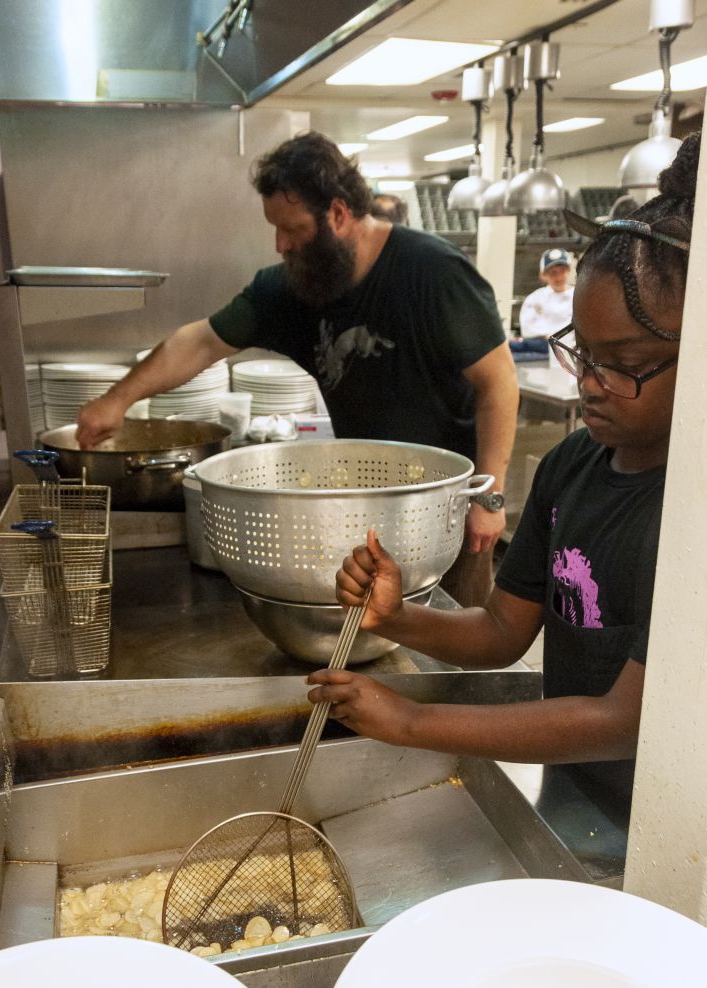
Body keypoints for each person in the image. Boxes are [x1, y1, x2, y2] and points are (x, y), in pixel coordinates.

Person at [306, 132, 698, 821]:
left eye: (626, 362)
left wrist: (413, 724)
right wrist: (398, 619)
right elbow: (499, 631)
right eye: (584, 354)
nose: (593, 386)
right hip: (578, 793)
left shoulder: (690, 513)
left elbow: (622, 720)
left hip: (669, 825)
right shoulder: (570, 467)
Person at [76, 131, 519, 607]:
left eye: (293, 230)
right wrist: (117, 399)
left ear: (338, 214)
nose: (280, 244)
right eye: (274, 228)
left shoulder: (434, 274)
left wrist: (489, 499)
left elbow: (499, 385)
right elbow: (201, 341)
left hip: (449, 511)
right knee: (376, 645)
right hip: (365, 509)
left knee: (457, 652)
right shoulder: (294, 290)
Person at [509, 247, 574, 362]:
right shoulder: (534, 298)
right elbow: (528, 330)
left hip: (572, 349)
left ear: (569, 271)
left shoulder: (578, 296)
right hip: (541, 349)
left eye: (562, 271)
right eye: (553, 272)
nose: (558, 277)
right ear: (543, 275)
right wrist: (546, 336)